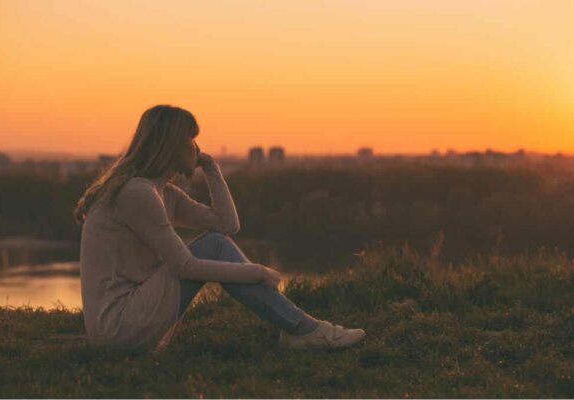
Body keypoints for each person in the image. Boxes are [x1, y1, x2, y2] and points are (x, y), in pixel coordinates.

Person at [73, 104, 365, 353]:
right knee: (213, 245)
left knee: (216, 240)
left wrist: (211, 168)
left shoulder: (163, 193)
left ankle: (300, 329)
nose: (197, 147)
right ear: (171, 145)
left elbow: (228, 224)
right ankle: (305, 331)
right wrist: (257, 272)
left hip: (129, 321)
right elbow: (185, 266)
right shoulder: (137, 193)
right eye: (191, 139)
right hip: (119, 327)